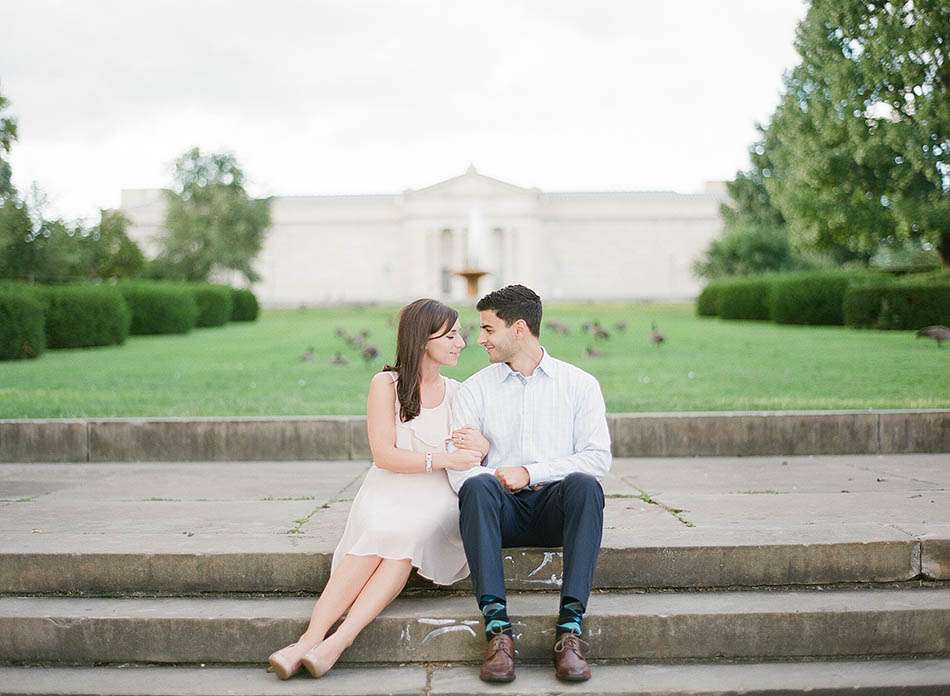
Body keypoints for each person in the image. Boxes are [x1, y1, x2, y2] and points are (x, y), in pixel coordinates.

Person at [267, 298, 487, 679]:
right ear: (422, 339)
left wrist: (478, 447)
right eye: (450, 335)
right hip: (388, 486)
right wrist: (445, 458)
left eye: (460, 334)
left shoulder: (459, 392)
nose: (461, 343)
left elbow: (476, 449)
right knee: (381, 532)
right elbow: (385, 455)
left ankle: (338, 642)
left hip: (436, 494)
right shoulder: (385, 384)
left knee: (404, 535)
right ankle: (308, 640)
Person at [446, 284, 610, 683]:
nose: (479, 339)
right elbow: (459, 470)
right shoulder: (474, 390)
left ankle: (570, 631)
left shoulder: (579, 384)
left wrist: (530, 472)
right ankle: (498, 632)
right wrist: (495, 468)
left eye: (487, 329)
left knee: (586, 486)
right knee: (477, 487)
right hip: (501, 510)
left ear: (518, 328)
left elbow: (597, 458)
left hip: (554, 507)